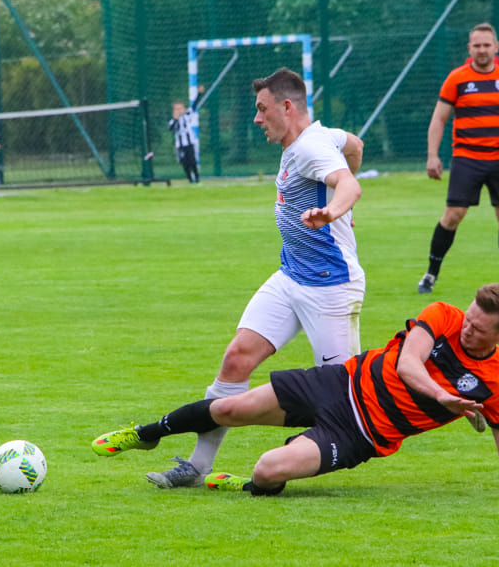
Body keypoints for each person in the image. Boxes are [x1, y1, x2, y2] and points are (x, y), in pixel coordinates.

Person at [92, 284, 499, 497]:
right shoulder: (443, 316)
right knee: (231, 407)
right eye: (469, 320)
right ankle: (150, 432)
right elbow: (411, 363)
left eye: (479, 331)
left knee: (268, 470)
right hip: (340, 382)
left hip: (361, 435)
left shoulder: (498, 385)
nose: (466, 331)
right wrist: (442, 397)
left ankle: (243, 485)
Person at [138, 67, 366, 489]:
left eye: (262, 109)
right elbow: (356, 145)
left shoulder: (312, 148)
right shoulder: (319, 135)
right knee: (236, 358)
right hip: (290, 276)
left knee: (343, 399)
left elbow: (348, 183)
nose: (257, 119)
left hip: (331, 288)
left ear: (286, 106)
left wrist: (336, 212)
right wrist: (342, 210)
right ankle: (196, 466)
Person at [418, 23, 499, 295]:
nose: (482, 50)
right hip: (467, 158)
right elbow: (439, 118)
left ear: (496, 47)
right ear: (469, 48)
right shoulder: (456, 79)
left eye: (486, 45)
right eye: (477, 45)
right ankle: (430, 275)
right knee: (453, 215)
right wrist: (433, 155)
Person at [169, 101, 200, 183]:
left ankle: (197, 177)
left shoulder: (187, 115)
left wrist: (199, 93)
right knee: (184, 162)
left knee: (192, 160)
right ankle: (189, 178)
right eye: (177, 109)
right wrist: (176, 118)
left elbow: (194, 105)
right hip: (180, 145)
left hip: (189, 143)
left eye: (180, 108)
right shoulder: (173, 121)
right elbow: (171, 128)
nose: (179, 111)